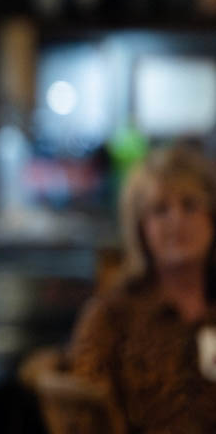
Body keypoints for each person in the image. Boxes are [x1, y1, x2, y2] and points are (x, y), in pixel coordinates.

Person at [68, 144, 216, 433]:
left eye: (189, 205)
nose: (177, 221)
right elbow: (83, 417)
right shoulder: (111, 317)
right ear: (140, 228)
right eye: (160, 210)